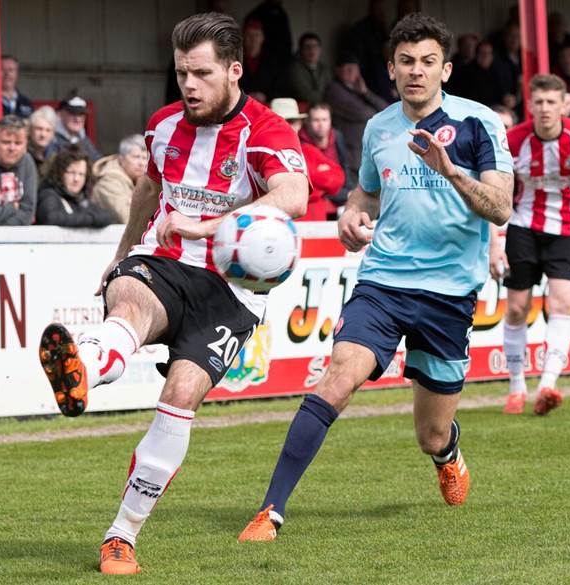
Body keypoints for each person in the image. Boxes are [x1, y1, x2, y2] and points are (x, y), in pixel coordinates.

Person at [37, 12, 308, 575]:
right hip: (163, 263)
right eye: (182, 72)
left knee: (181, 396)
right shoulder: (163, 125)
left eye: (202, 74)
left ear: (234, 71)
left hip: (231, 292)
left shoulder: (264, 131)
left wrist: (207, 226)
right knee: (130, 305)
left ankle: (122, 535)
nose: (188, 85)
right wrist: (120, 256)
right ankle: (82, 368)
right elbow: (149, 186)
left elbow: (294, 195)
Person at [238, 13, 513, 542]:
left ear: (446, 70)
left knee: (429, 435)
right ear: (390, 69)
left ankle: (448, 451)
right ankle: (270, 510)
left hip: (450, 293)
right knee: (338, 377)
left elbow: (500, 208)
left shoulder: (480, 124)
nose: (417, 71)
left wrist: (451, 170)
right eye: (406, 61)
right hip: (383, 281)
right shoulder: (379, 127)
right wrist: (350, 213)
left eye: (428, 62)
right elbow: (366, 191)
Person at [490, 74, 570, 416]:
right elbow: (492, 188)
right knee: (517, 308)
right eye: (539, 102)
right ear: (529, 105)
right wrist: (493, 242)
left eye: (552, 102)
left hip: (569, 230)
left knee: (562, 303)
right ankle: (517, 387)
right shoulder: (512, 141)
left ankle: (548, 384)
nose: (545, 109)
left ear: (565, 105)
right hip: (523, 228)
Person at [271, 97, 345, 221]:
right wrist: (315, 186)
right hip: (279, 224)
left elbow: (338, 177)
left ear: (299, 124)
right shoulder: (260, 154)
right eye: (281, 121)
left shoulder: (308, 150)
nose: (286, 126)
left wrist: (305, 179)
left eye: (292, 121)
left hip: (315, 224)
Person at [324, 53, 388, 185]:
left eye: (354, 67)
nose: (351, 71)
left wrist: (366, 93)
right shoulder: (334, 90)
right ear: (337, 70)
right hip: (351, 154)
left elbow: (386, 109)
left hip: (365, 152)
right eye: (347, 68)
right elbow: (366, 114)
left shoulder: (358, 89)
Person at [36, 145, 111, 228]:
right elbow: (51, 218)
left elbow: (105, 217)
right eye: (72, 173)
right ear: (60, 172)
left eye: (81, 174)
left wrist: (88, 218)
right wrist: (89, 219)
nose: (76, 179)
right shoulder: (48, 195)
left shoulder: (81, 197)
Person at [299, 102, 353, 212]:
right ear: (307, 122)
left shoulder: (336, 136)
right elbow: (314, 182)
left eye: (325, 120)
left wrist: (349, 191)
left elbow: (345, 165)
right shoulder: (300, 142)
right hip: (316, 201)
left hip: (341, 194)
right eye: (316, 120)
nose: (321, 124)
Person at [92, 134, 147, 223]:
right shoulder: (108, 182)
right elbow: (127, 219)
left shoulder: (138, 179)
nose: (141, 163)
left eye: (145, 158)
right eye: (136, 157)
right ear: (122, 159)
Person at [0, 115, 37, 225]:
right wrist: (12, 207)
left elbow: (28, 212)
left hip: (17, 238)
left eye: (18, 143)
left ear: (25, 145)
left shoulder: (27, 162)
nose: (12, 148)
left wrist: (4, 230)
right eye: (5, 142)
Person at [47, 96, 102, 162]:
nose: (78, 119)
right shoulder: (52, 139)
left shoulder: (83, 138)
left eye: (81, 114)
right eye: (73, 113)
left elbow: (98, 161)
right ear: (59, 114)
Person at [284, 33, 332, 104]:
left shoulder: (324, 69)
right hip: (302, 110)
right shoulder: (294, 69)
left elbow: (331, 90)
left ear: (320, 49)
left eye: (315, 46)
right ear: (301, 50)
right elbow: (306, 95)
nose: (311, 50)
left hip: (323, 108)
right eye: (307, 46)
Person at [27, 105, 57, 180]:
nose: (43, 134)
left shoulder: (56, 158)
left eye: (48, 130)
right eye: (39, 129)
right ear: (30, 130)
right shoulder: (21, 153)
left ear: (53, 134)